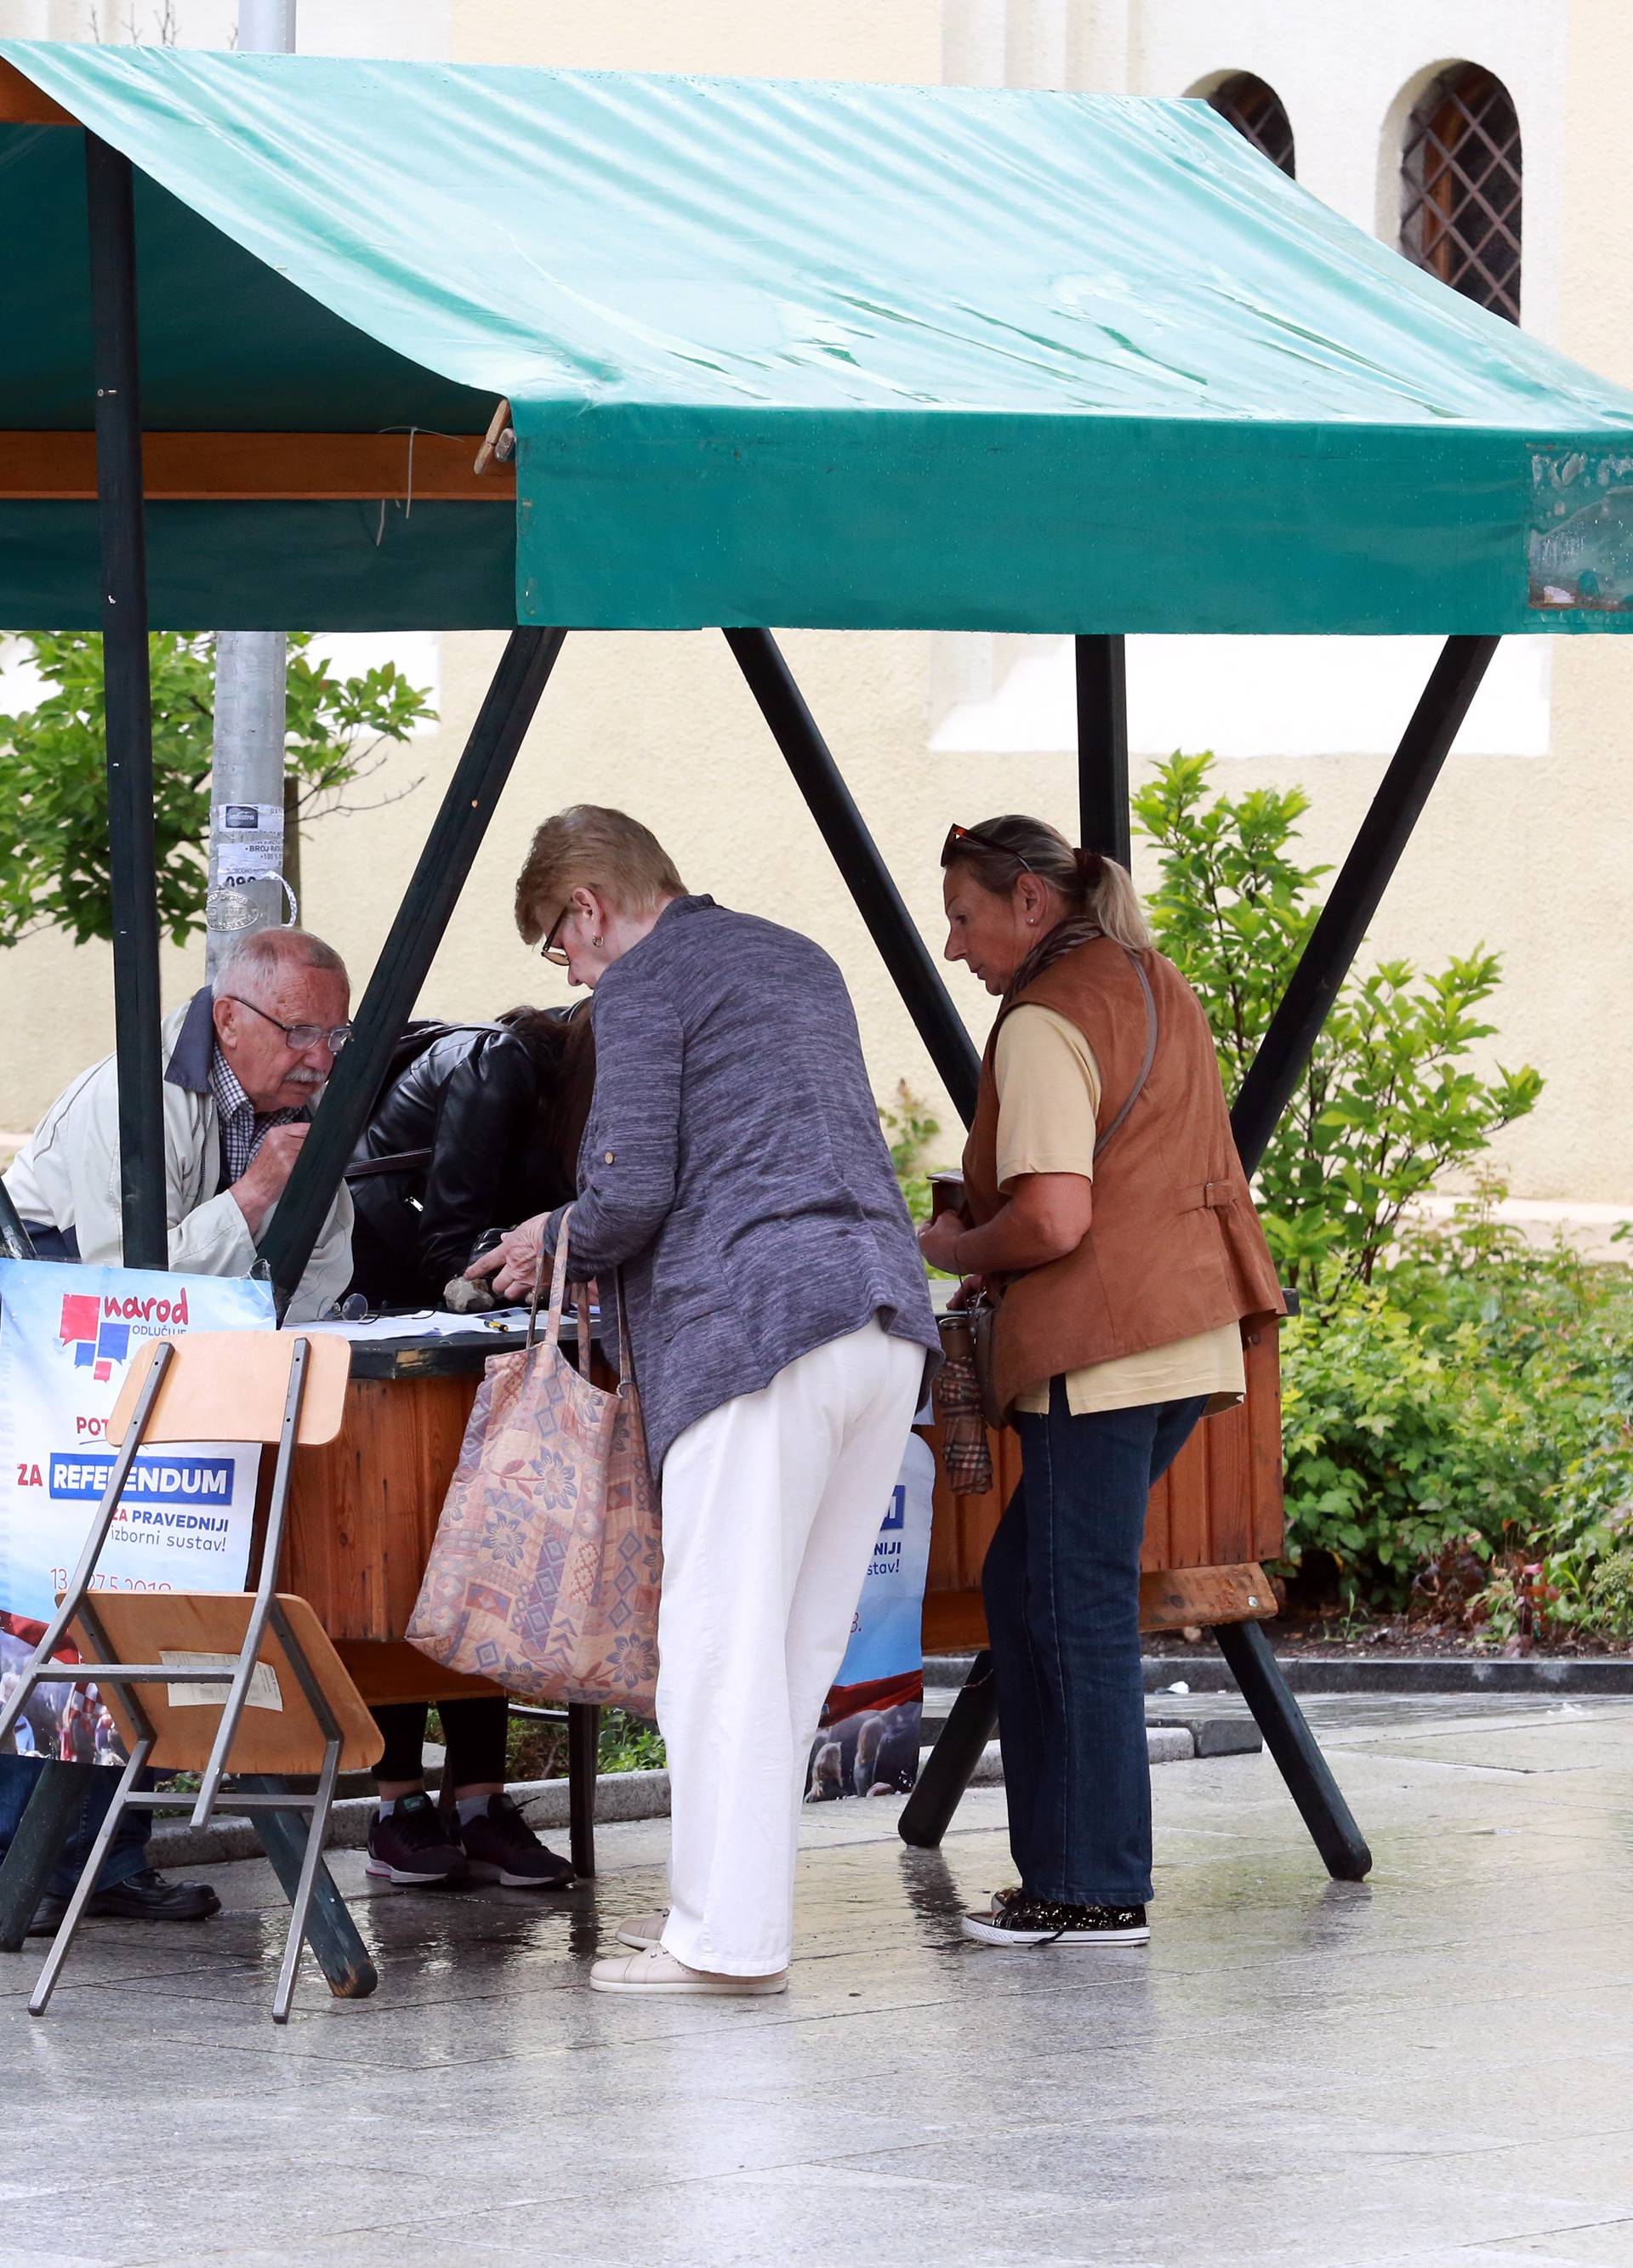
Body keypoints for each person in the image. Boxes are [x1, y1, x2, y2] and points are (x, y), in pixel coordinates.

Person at [469, 805, 938, 1998]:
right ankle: (747, 1931)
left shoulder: (644, 980)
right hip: (880, 1320)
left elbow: (630, 1193)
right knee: (792, 1649)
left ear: (587, 905)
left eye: (557, 944)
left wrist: (547, 1235)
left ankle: (718, 1940)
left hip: (754, 1330)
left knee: (718, 1646)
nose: (570, 975)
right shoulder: (797, 954)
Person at [918, 816, 1283, 1951]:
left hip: (1103, 1350)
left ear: (1031, 902)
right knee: (1030, 1580)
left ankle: (1091, 1886)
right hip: (1188, 1336)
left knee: (1068, 1609)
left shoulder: (1041, 1017)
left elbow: (1057, 1213)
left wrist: (952, 1249)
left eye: (965, 915)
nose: (952, 942)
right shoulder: (1151, 978)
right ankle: (1083, 1871)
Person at [0, 927, 356, 1932]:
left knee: (152, 1592)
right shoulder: (135, 1096)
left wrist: (286, 1343)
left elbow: (323, 1266)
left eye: (336, 1032)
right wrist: (251, 1200)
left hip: (198, 1384)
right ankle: (39, 1859)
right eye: (300, 1032)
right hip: (59, 1366)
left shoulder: (306, 1100)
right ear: (230, 1018)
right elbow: (125, 1287)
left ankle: (98, 1861)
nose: (320, 1057)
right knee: (71, 1602)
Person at [347, 1003, 593, 1893]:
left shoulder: (558, 1089)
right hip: (389, 1319)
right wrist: (552, 1264)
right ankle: (398, 1804)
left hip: (464, 1328)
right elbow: (448, 1244)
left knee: (496, 1555)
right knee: (410, 1553)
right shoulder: (498, 1064)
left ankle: (481, 1802)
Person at [347, 1003, 592, 1308]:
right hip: (374, 1257)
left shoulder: (562, 1078)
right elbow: (447, 1249)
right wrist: (560, 1278)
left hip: (429, 1263)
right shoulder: (495, 1062)